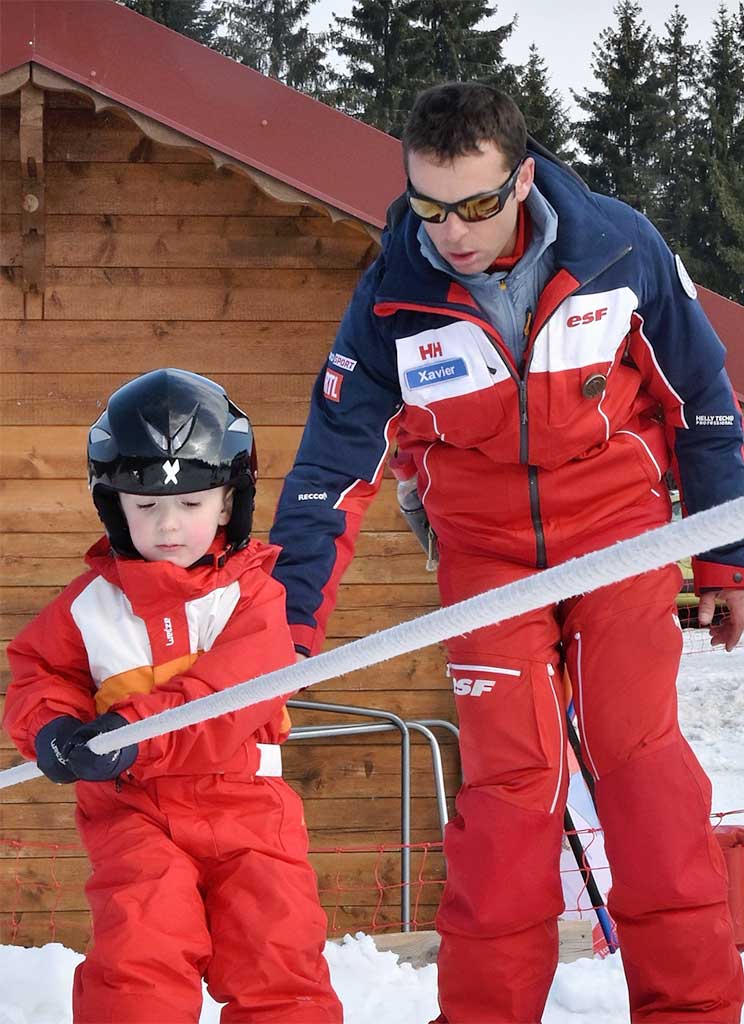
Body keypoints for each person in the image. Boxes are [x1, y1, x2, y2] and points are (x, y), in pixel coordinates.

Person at [269, 83, 744, 1023]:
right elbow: (330, 469)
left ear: (522, 179)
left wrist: (725, 561)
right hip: (487, 561)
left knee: (640, 765)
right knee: (511, 793)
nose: (452, 232)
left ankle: (690, 1009)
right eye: (430, 205)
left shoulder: (620, 251)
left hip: (619, 536)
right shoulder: (393, 302)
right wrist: (287, 629)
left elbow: (706, 405)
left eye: (478, 205)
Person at [2, 368, 343, 1024]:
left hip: (248, 811)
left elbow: (221, 699)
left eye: (190, 504)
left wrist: (124, 734)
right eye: (145, 505)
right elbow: (37, 677)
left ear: (228, 503)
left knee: (277, 955)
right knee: (139, 954)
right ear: (113, 504)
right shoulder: (90, 608)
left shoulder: (255, 598)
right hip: (136, 815)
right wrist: (51, 730)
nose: (166, 525)